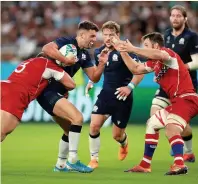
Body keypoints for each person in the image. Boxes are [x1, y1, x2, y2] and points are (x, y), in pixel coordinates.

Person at [114, 32, 198, 175]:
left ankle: (179, 164)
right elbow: (136, 69)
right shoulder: (154, 63)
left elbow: (162, 56)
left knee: (171, 129)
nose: (144, 48)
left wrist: (133, 48)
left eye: (146, 45)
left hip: (186, 99)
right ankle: (145, 165)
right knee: (152, 123)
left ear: (156, 46)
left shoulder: (167, 53)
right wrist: (123, 51)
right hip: (177, 101)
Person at [37, 21, 108, 173]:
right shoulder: (67, 42)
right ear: (82, 35)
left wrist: (102, 64)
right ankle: (72, 160)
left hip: (56, 93)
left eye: (95, 36)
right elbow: (46, 48)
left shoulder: (84, 55)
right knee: (78, 118)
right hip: (47, 91)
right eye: (92, 36)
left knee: (69, 129)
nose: (94, 39)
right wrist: (65, 60)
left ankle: (60, 165)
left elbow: (94, 77)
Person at [86, 21, 144, 169]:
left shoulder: (126, 50)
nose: (107, 38)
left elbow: (139, 71)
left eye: (111, 35)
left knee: (116, 135)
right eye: (105, 35)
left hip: (122, 97)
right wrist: (91, 81)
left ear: (118, 35)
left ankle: (124, 142)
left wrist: (129, 87)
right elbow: (97, 71)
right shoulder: (99, 51)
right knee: (94, 126)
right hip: (105, 94)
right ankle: (94, 160)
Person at [150, 5, 198, 162]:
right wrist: (159, 72)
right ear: (169, 18)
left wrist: (182, 68)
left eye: (179, 16)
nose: (175, 18)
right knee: (154, 114)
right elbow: (163, 59)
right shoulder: (166, 36)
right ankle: (174, 145)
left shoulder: (192, 36)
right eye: (173, 15)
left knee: (181, 123)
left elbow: (196, 61)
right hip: (167, 85)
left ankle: (188, 151)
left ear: (184, 18)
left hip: (185, 85)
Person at [1, 57, 75, 142]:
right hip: (15, 94)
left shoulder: (30, 60)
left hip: (4, 85)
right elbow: (71, 84)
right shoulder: (49, 65)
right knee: (3, 132)